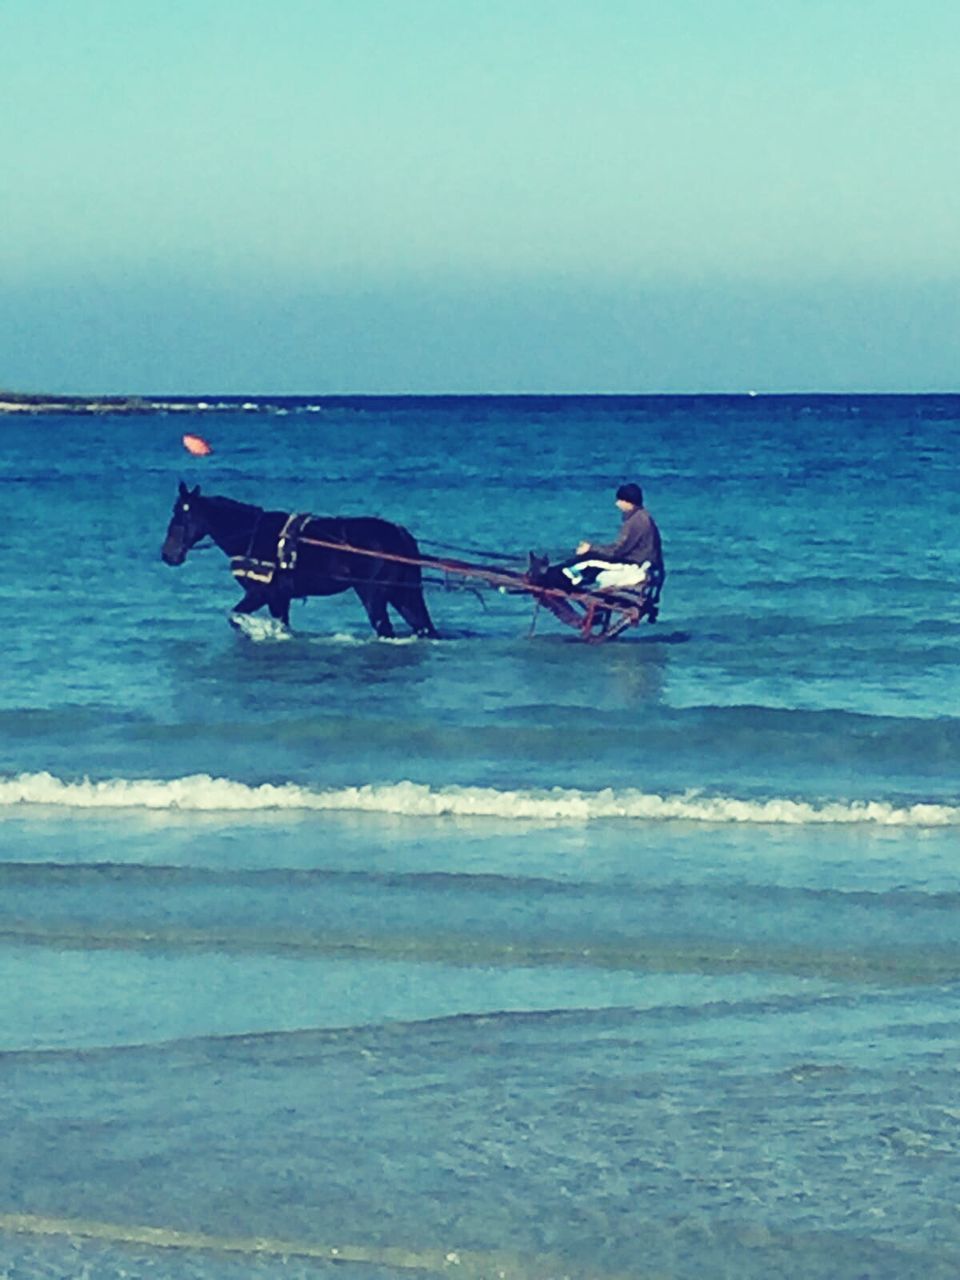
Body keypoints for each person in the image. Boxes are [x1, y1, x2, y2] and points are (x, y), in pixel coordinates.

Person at [528, 482, 664, 609]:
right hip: (639, 561)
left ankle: (549, 576)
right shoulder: (642, 517)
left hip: (634, 564)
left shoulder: (636, 521)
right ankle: (552, 573)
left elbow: (617, 551)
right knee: (587, 559)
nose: (617, 504)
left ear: (628, 502)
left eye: (619, 500)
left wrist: (591, 548)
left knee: (589, 561)